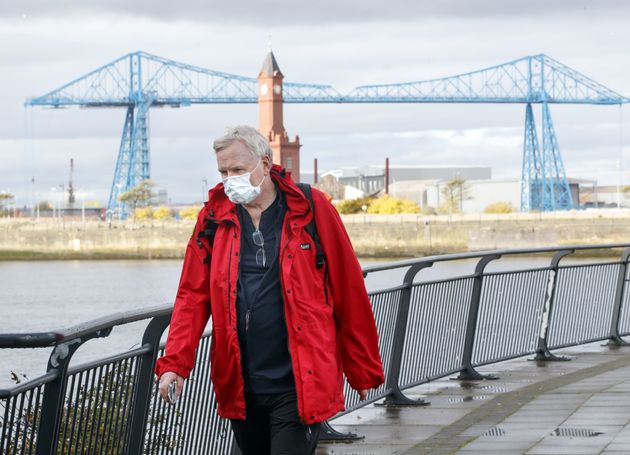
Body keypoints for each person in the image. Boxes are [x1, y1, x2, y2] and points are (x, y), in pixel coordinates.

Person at [155, 125, 384, 455]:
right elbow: (192, 295)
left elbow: (348, 288)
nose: (229, 178)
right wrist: (175, 363)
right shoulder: (212, 218)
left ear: (264, 164)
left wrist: (362, 367)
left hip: (299, 379)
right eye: (223, 171)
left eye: (238, 169)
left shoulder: (311, 207)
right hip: (240, 380)